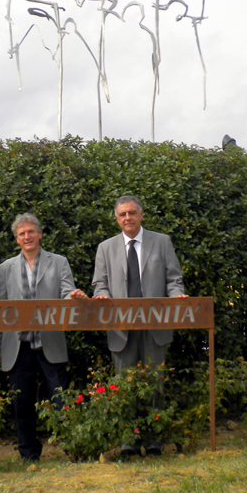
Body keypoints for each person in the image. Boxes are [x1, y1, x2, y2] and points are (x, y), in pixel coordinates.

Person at [92, 195, 187, 456]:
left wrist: (176, 295)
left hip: (155, 325)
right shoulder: (106, 248)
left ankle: (154, 440)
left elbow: (174, 278)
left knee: (155, 382)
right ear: (116, 218)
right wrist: (102, 295)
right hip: (121, 327)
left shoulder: (162, 242)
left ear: (141, 214)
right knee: (125, 383)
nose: (127, 218)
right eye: (122, 214)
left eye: (132, 213)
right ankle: (128, 440)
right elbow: (99, 283)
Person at [0, 213, 87, 461]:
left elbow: (67, 292)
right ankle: (28, 454)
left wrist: (73, 297)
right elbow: (1, 311)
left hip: (50, 342)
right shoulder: (5, 268)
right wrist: (1, 347)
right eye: (22, 234)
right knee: (22, 403)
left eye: (31, 232)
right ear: (17, 239)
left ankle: (72, 448)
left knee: (60, 399)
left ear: (40, 234)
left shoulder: (59, 262)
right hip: (18, 345)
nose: (27, 237)